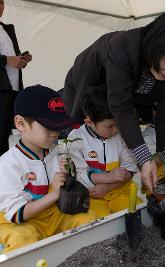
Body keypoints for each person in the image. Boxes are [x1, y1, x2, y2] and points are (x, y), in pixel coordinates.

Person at [63, 10, 165, 192]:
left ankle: (108, 180)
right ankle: (85, 183)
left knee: (116, 138)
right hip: (89, 87)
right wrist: (145, 159)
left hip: (125, 96)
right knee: (86, 137)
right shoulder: (122, 46)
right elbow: (122, 106)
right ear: (156, 45)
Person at [0, 86, 95, 253]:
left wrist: (69, 175)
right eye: (49, 127)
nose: (55, 133)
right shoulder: (8, 164)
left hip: (52, 214)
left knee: (88, 220)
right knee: (23, 241)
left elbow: (66, 193)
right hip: (20, 223)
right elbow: (18, 215)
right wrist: (53, 194)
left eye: (59, 127)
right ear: (21, 123)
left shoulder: (57, 153)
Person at [67, 86, 142, 219]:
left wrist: (107, 187)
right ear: (89, 122)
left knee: (136, 211)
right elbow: (78, 174)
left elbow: (130, 167)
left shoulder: (120, 135)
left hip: (120, 190)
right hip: (91, 194)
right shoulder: (76, 138)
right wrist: (107, 178)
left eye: (117, 123)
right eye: (110, 126)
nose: (116, 130)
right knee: (98, 220)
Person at [0, 0, 32, 155]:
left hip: (14, 89)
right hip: (1, 89)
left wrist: (22, 60)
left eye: (1, 3)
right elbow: (7, 59)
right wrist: (6, 60)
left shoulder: (8, 29)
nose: (0, 7)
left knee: (9, 134)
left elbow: (15, 58)